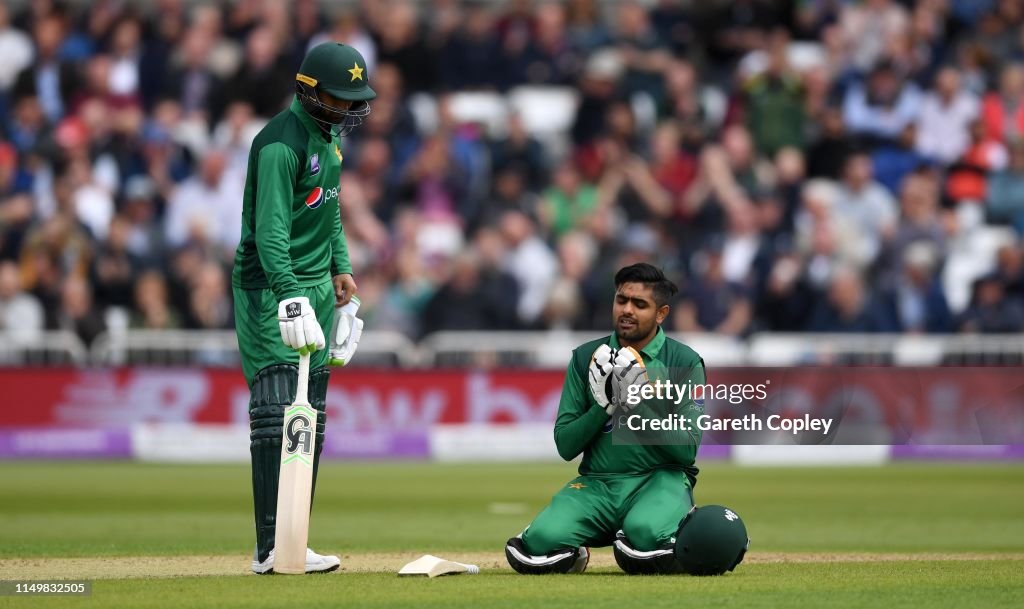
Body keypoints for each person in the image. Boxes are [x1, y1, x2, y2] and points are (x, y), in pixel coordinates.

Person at [504, 263, 748, 575]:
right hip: (598, 483)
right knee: (538, 542)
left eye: (640, 304)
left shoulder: (685, 361)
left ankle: (666, 524)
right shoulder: (585, 357)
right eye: (621, 300)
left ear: (661, 314)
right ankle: (576, 549)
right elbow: (565, 444)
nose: (627, 310)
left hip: (660, 480)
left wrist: (635, 402)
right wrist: (604, 407)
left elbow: (687, 448)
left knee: (644, 534)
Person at [231, 42, 374, 575]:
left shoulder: (328, 139)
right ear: (310, 92)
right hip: (270, 288)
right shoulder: (279, 144)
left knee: (309, 416)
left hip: (314, 285)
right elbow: (268, 231)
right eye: (341, 98)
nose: (351, 108)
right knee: (274, 412)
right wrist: (289, 293)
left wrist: (342, 270)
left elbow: (329, 213)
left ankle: (294, 541)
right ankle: (269, 547)